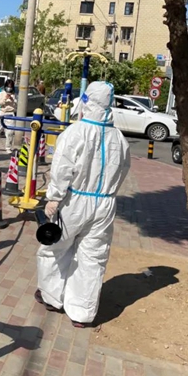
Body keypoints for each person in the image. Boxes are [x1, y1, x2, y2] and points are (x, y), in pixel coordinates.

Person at [35, 81, 131, 327]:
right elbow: (123, 170)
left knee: (55, 249)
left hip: (73, 201)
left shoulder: (75, 133)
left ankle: (52, 297)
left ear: (87, 102)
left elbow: (62, 168)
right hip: (105, 204)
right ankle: (81, 313)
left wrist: (54, 197)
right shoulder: (119, 138)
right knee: (93, 257)